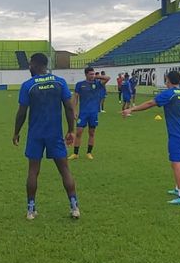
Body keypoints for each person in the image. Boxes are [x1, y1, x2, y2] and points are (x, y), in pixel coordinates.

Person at [13, 53, 80, 221]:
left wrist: (16, 132)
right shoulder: (59, 82)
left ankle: (30, 210)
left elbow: (22, 112)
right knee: (64, 170)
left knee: (33, 171)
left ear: (36, 64)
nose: (29, 67)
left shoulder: (28, 85)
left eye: (30, 64)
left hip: (35, 135)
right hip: (54, 134)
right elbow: (69, 108)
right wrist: (71, 130)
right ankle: (74, 207)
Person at [122, 70, 180, 205]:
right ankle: (177, 188)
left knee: (175, 162)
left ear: (167, 80)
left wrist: (131, 109)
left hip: (177, 134)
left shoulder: (169, 94)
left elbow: (150, 104)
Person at [69, 67, 110, 160]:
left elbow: (108, 78)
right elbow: (75, 98)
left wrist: (97, 76)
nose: (92, 76)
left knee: (92, 133)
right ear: (86, 74)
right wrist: (74, 111)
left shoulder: (98, 83)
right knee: (79, 132)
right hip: (83, 113)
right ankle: (75, 154)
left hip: (93, 113)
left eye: (93, 74)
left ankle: (89, 152)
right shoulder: (80, 85)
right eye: (91, 74)